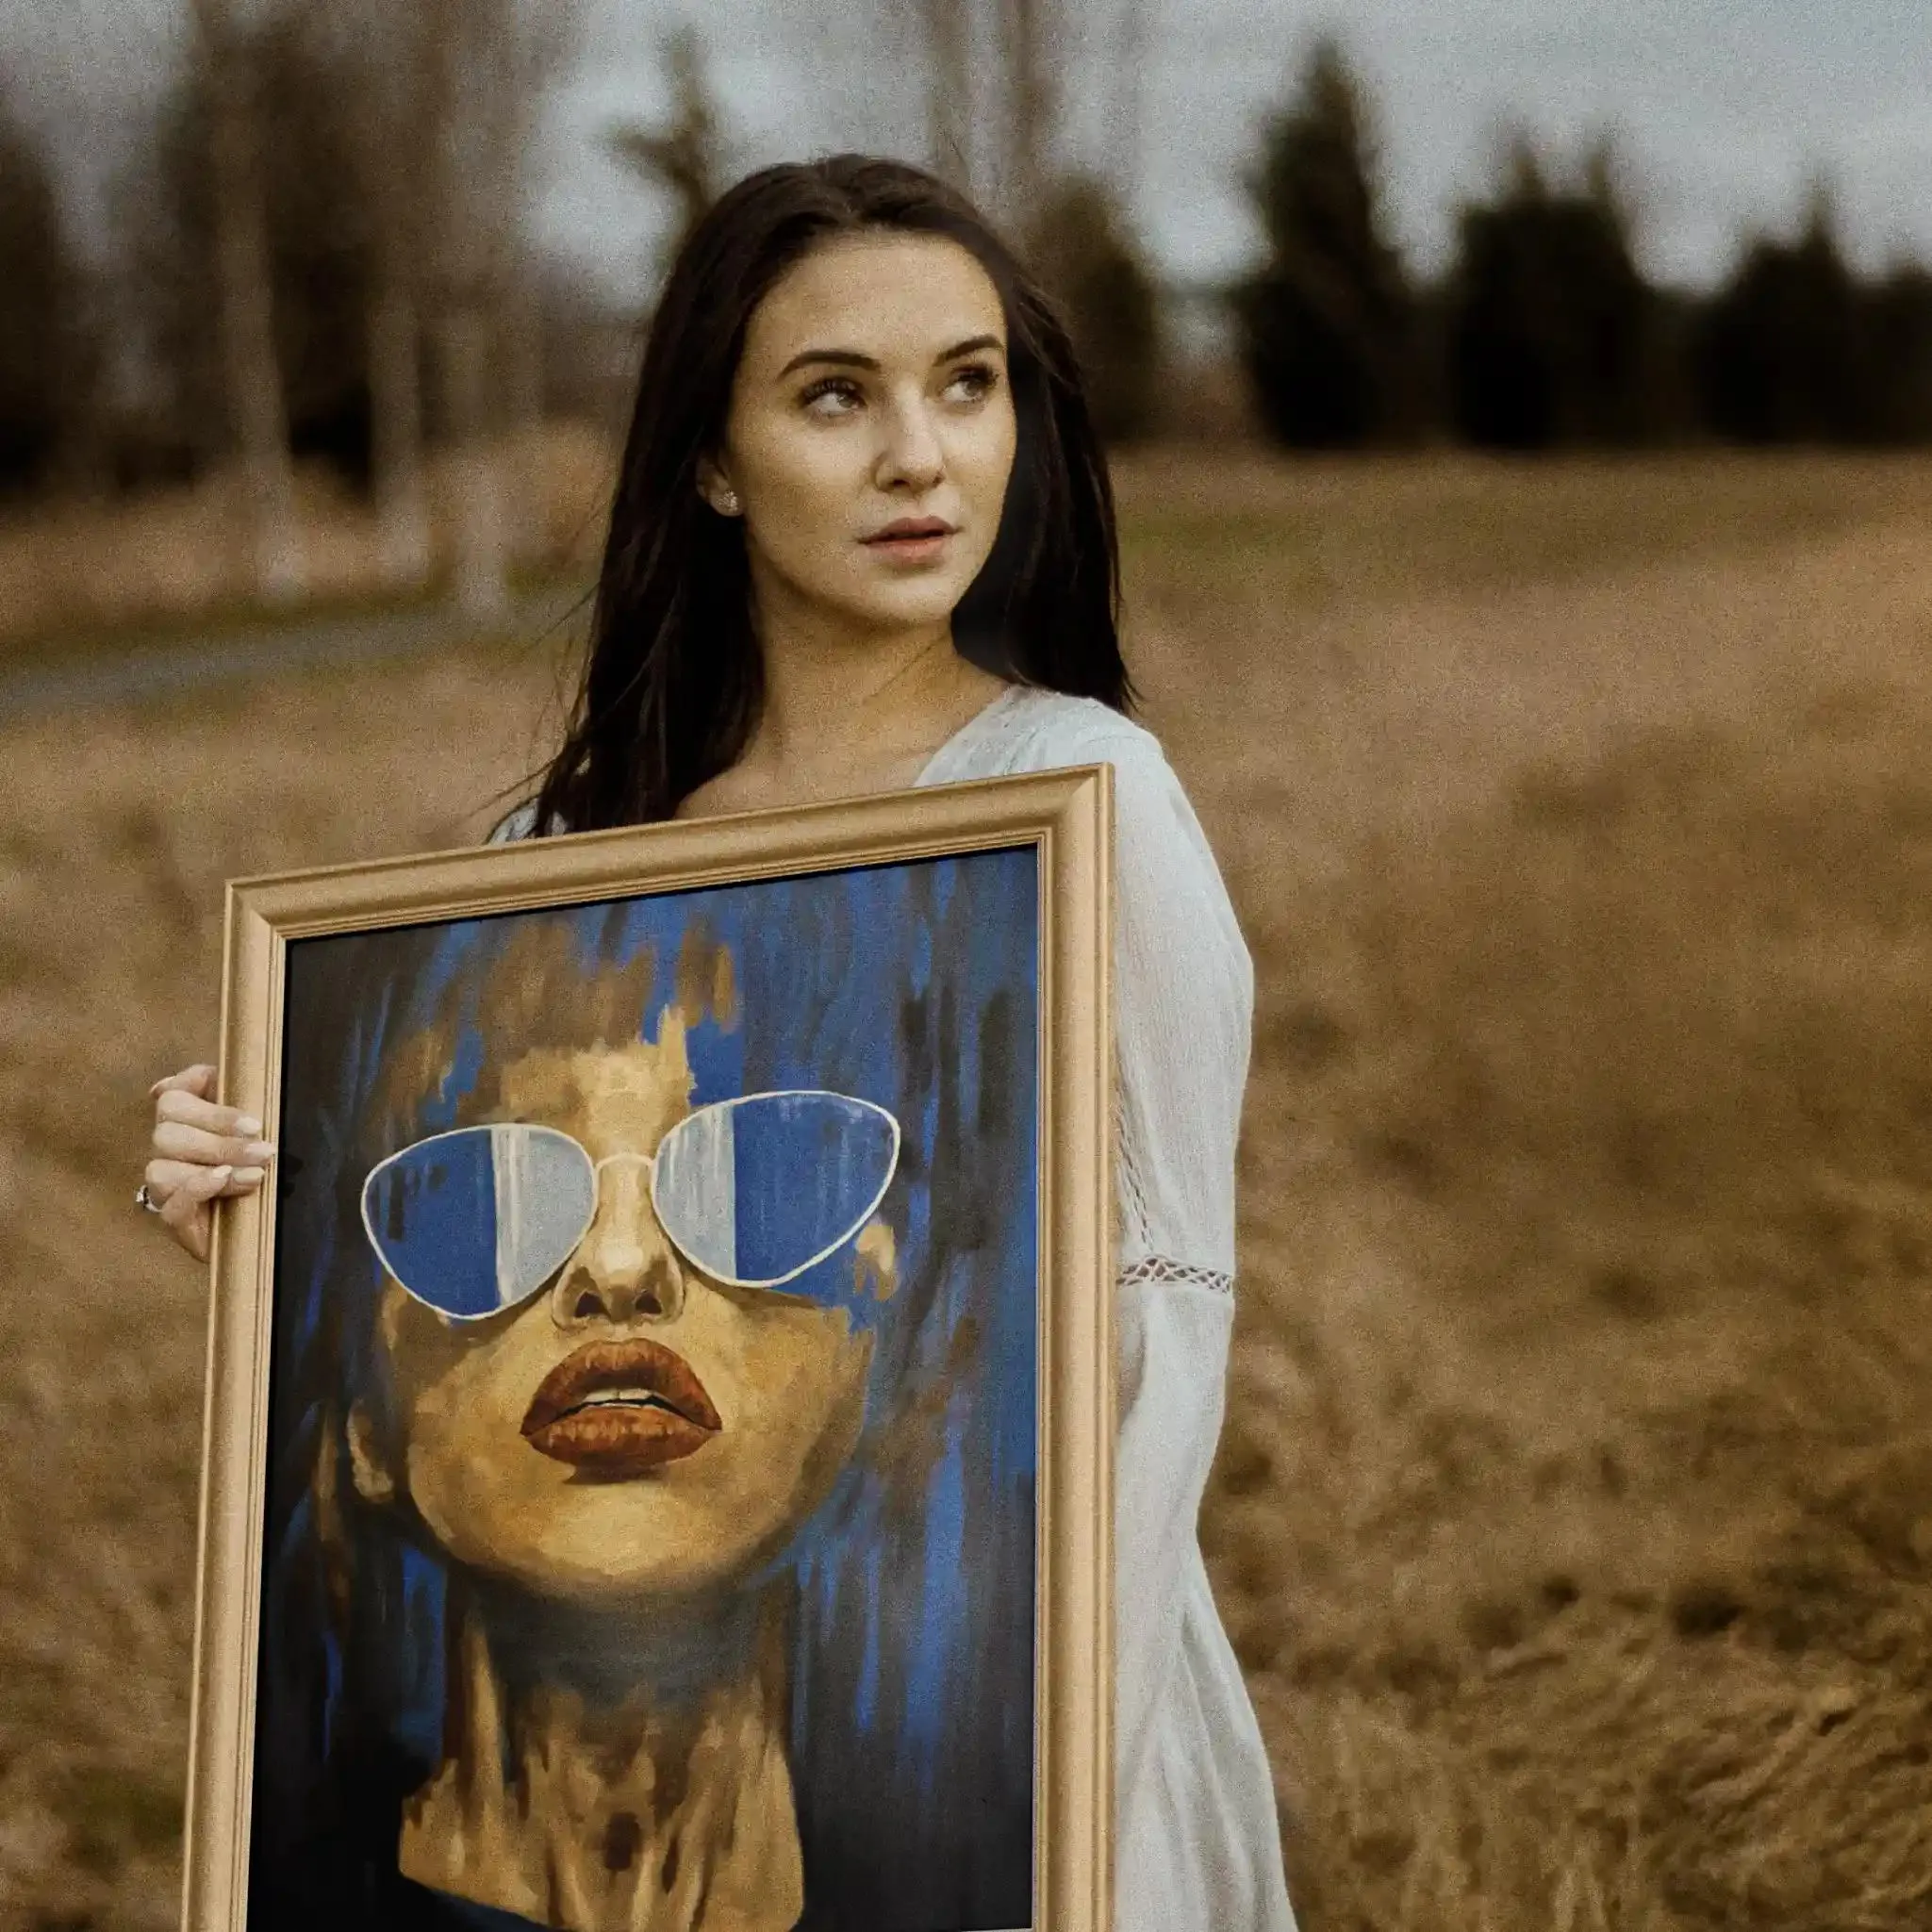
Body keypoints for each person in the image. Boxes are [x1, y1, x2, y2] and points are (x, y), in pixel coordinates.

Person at [143, 152, 1299, 1931]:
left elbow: (1153, 1350)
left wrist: (1035, 1814)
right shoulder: (563, 844)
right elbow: (403, 1290)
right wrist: (255, 1174)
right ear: (710, 460)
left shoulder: (1079, 805)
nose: (922, 455)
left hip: (1044, 1768)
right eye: (839, 395)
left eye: (968, 384)